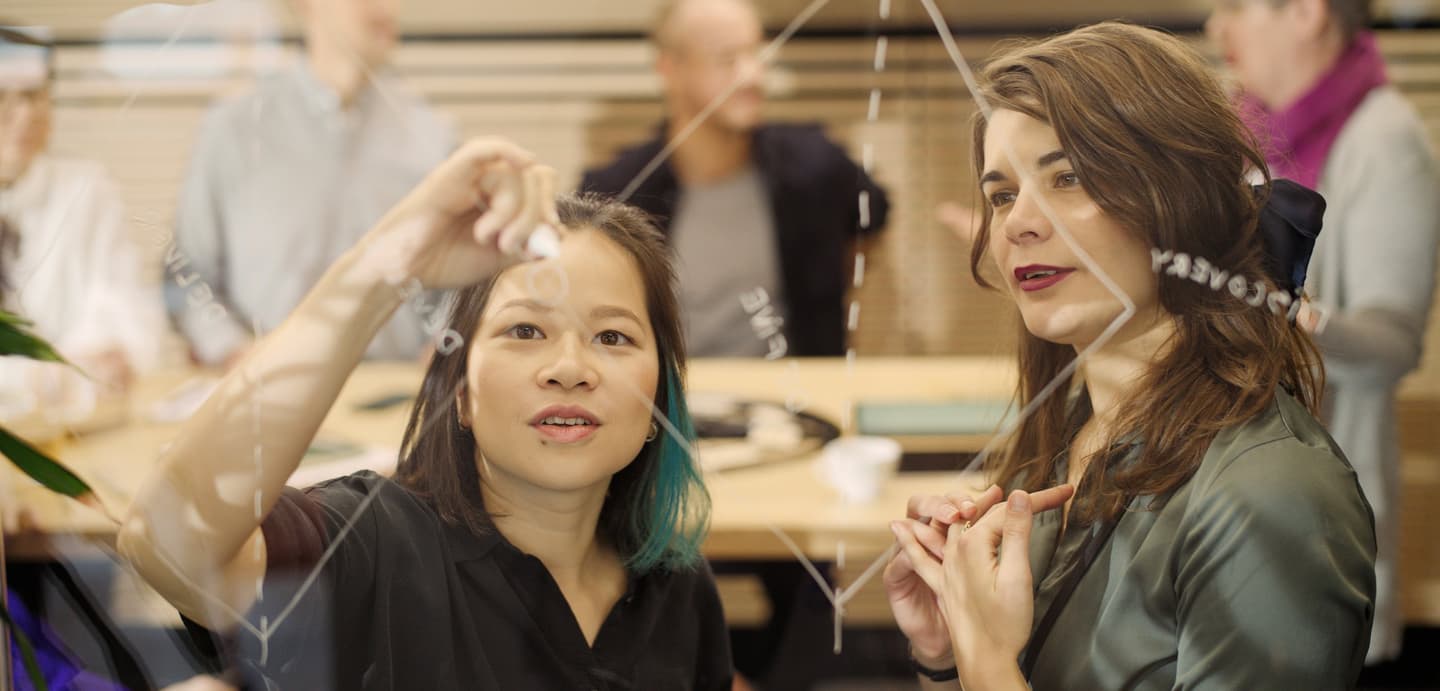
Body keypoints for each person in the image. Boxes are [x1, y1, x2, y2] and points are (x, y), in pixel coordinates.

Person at [118, 139, 732, 690]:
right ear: (459, 392)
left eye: (613, 337)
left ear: (660, 400)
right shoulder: (372, 547)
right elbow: (168, 541)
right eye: (525, 330)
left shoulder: (679, 587)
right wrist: (387, 265)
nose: (569, 368)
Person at [884, 23, 1375, 689]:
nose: (1018, 222)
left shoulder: (1272, 494)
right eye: (1002, 194)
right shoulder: (1071, 435)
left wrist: (989, 661)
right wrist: (947, 653)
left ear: (1180, 203)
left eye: (1069, 179)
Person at [1208, 0, 1440, 662]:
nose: (1216, 28)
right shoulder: (1240, 140)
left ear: (1307, 11)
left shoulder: (1383, 138)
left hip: (1317, 520)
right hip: (1227, 507)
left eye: (1232, 7)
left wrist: (1275, 307)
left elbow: (1391, 347)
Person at [581, 0, 889, 358]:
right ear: (670, 69)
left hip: (792, 399)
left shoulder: (815, 168)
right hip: (668, 402)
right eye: (726, 59)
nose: (752, 76)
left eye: (756, 54)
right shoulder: (618, 191)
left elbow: (874, 216)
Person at [168, 0, 454, 368]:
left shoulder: (433, 136)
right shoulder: (232, 130)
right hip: (267, 392)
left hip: (394, 400)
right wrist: (232, 351)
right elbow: (186, 277)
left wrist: (448, 350)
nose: (390, 7)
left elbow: (458, 285)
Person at [0, 26, 165, 418]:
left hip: (69, 430)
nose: (24, 114)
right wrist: (45, 377)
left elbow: (122, 308)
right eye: (2, 95)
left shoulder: (86, 188)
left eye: (34, 96)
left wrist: (99, 359)